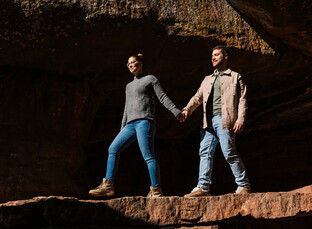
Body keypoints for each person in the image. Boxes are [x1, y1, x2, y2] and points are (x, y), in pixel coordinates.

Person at [89, 53, 184, 198]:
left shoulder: (150, 79)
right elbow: (126, 108)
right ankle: (108, 185)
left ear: (140, 63)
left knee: (148, 156)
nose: (131, 65)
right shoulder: (128, 86)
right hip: (129, 125)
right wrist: (122, 129)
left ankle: (156, 190)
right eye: (128, 64)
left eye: (133, 62)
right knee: (113, 148)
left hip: (144, 122)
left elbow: (162, 97)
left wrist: (176, 111)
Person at [182, 45, 251, 197]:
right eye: (212, 55)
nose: (213, 58)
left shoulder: (235, 76)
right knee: (205, 152)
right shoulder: (207, 79)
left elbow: (242, 100)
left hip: (225, 120)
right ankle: (203, 187)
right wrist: (187, 109)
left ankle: (243, 185)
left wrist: (240, 119)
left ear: (225, 56)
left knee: (228, 152)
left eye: (216, 55)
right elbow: (197, 97)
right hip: (208, 122)